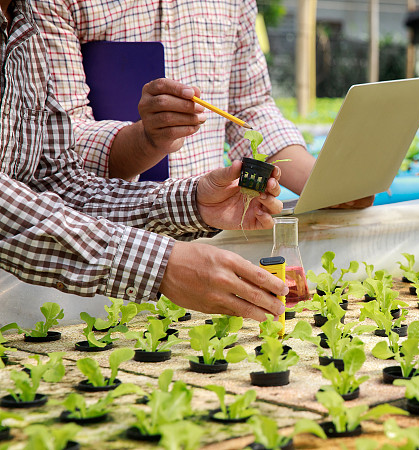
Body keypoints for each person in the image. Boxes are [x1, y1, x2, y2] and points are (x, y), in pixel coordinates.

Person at [0, 0, 289, 323]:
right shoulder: (45, 10)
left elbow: (54, 183)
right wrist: (161, 264)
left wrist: (192, 205)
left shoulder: (24, 21)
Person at [34, 0, 373, 209]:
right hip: (106, 234)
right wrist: (147, 140)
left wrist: (321, 185)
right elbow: (58, 141)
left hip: (210, 222)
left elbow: (250, 108)